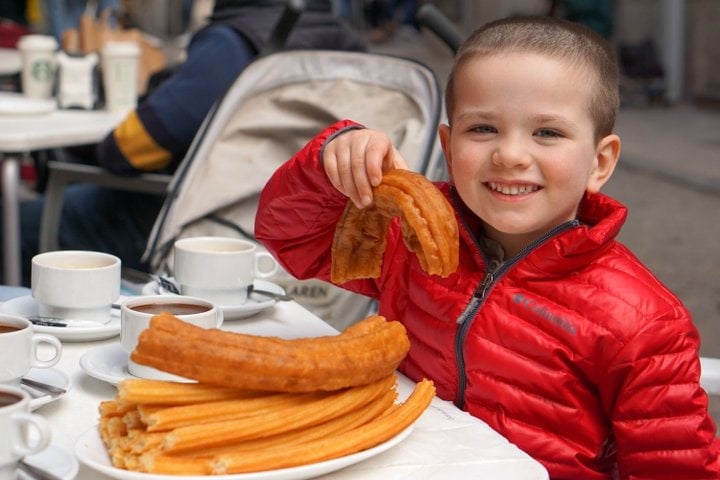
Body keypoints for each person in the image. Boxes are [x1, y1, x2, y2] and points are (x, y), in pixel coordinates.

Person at [254, 15, 720, 479]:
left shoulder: (643, 323)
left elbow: (677, 466)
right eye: (482, 129)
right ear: (448, 144)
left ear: (599, 163)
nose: (510, 155)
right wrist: (328, 166)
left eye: (547, 133)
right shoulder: (408, 241)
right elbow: (292, 241)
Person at [12, 0, 365, 285]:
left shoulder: (233, 42)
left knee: (18, 220)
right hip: (306, 239)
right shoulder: (349, 44)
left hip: (191, 227)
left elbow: (127, 150)